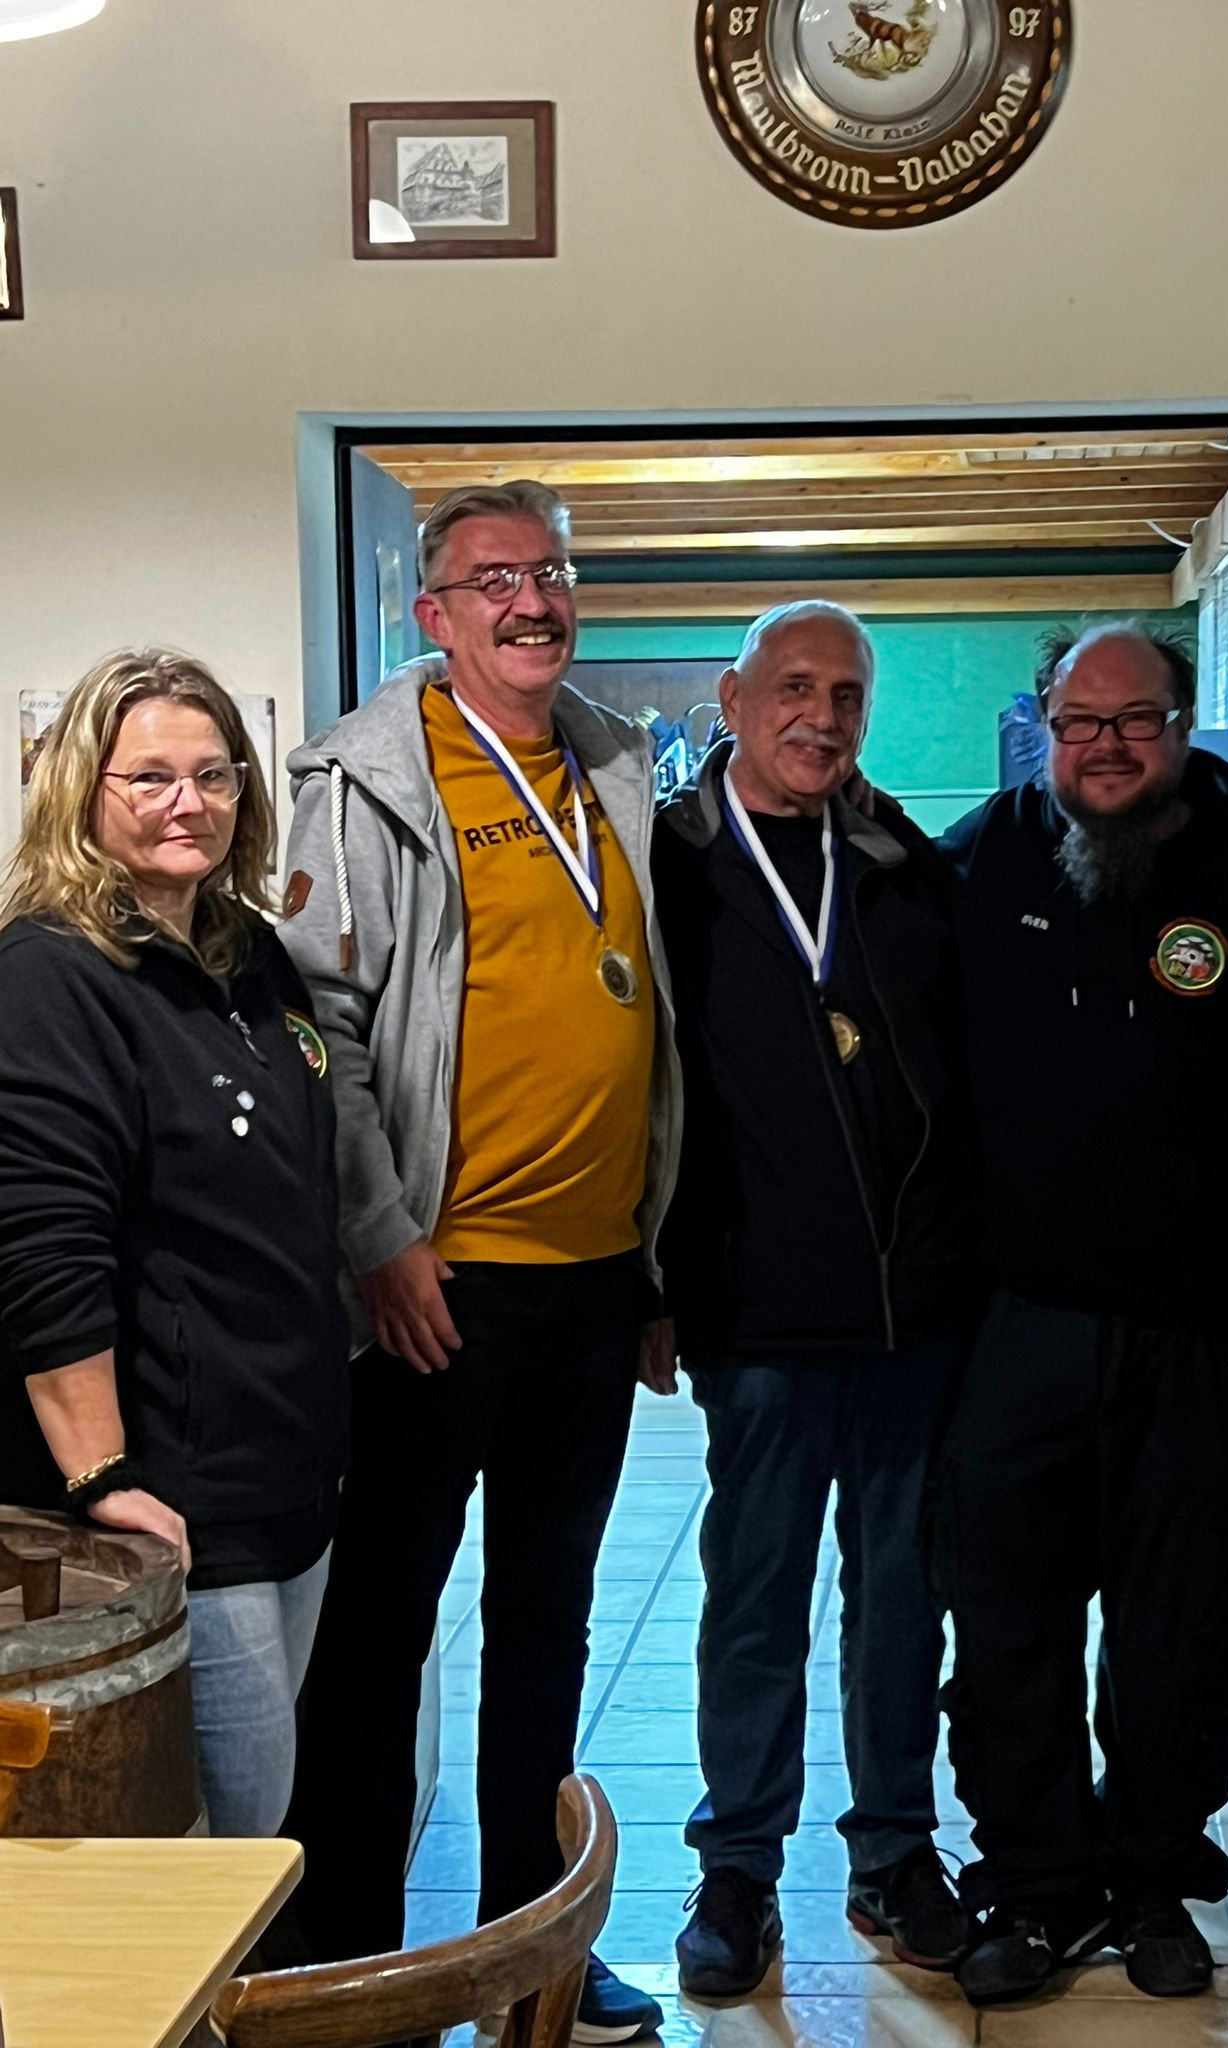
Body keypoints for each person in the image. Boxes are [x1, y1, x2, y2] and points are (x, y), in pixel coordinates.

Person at [279, 482, 681, 2044]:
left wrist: (652, 1271)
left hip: (591, 1287)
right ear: (433, 613)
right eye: (493, 577)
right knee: (379, 1640)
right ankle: (354, 1971)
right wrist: (381, 1239)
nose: (532, 599)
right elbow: (321, 1031)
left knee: (547, 1626)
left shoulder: (615, 763)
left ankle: (534, 1948)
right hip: (436, 1290)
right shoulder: (368, 780)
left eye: (550, 571)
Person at [934, 624, 1228, 2001]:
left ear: (1183, 725)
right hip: (1021, 1324)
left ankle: (1152, 1873)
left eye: (1138, 720)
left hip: (1198, 1327)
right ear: (1044, 725)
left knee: (1179, 1628)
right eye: (1082, 721)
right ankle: (1033, 1880)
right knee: (1007, 1621)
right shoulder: (972, 868)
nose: (1109, 746)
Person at [652, 602, 976, 1998]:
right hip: (755, 1306)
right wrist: (656, 1280)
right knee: (757, 1596)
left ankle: (895, 1848)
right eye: (794, 687)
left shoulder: (904, 865)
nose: (822, 716)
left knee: (901, 1598)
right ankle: (738, 1866)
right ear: (733, 700)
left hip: (910, 1308)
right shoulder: (664, 868)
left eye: (846, 694)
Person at [0, 649, 349, 1837]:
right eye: (149, 777)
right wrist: (101, 1474)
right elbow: (44, 1244)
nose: (187, 802)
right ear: (81, 790)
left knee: (262, 1807)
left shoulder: (248, 952)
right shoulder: (50, 975)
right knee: (225, 1834)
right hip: (173, 1488)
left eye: (213, 774)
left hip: (287, 1464)